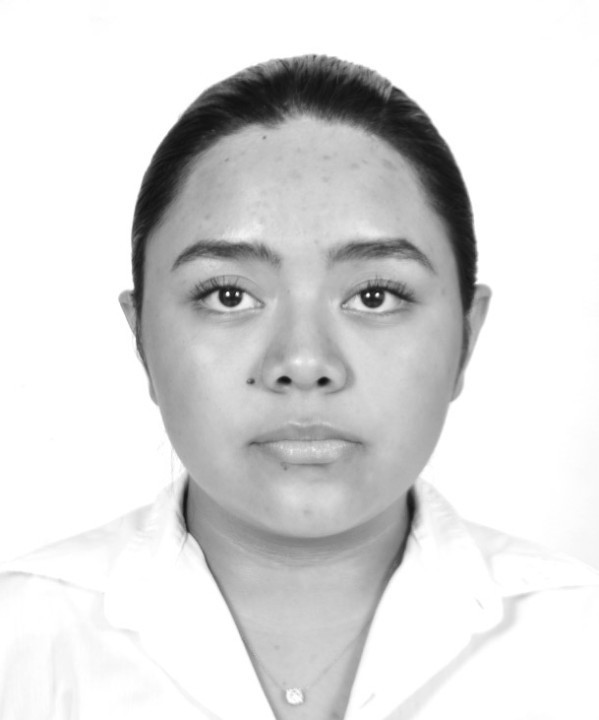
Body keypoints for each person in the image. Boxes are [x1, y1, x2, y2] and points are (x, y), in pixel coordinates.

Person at [0, 55, 597, 720]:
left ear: (466, 336)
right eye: (228, 295)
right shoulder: (18, 647)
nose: (304, 361)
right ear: (141, 337)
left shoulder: (581, 646)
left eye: (375, 295)